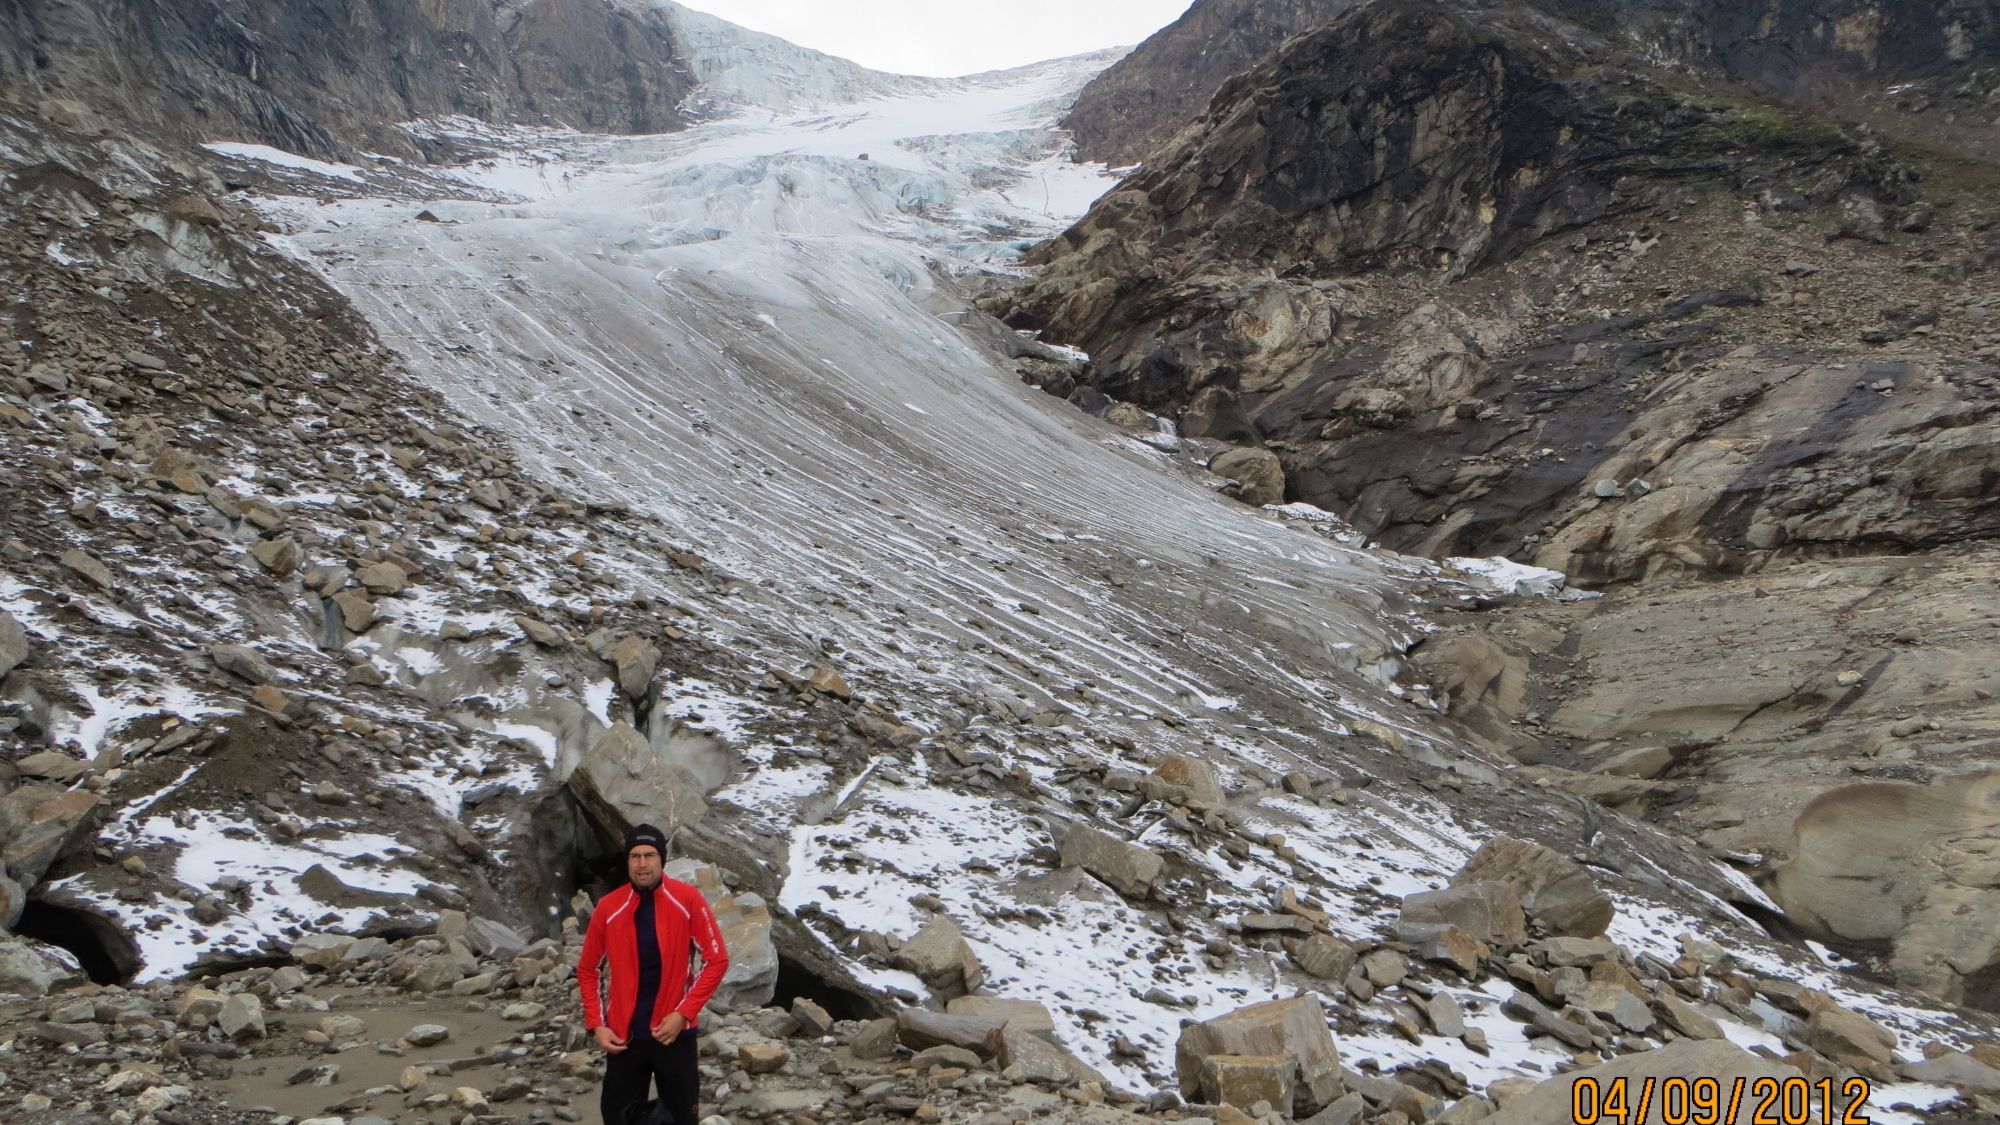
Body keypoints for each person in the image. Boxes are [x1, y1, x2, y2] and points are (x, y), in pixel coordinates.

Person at [578, 825, 731, 1125]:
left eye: (650, 855)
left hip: (674, 1034)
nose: (642, 863)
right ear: (627, 861)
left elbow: (717, 960)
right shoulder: (609, 906)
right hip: (624, 1038)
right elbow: (587, 969)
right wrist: (597, 1025)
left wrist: (683, 1014)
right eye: (635, 856)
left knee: (681, 1119)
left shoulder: (687, 899)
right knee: (619, 1118)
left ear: (662, 860)